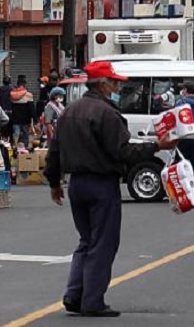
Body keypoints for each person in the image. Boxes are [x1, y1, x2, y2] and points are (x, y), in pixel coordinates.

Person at [43, 61, 177, 317]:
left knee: (86, 240)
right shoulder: (107, 114)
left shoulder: (70, 111)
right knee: (103, 243)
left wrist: (53, 182)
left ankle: (74, 294)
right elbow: (124, 152)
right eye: (115, 83)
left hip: (76, 184)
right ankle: (92, 301)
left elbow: (55, 151)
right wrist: (157, 146)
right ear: (103, 85)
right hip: (101, 184)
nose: (117, 87)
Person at [10, 76, 36, 148]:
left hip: (15, 119)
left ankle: (15, 149)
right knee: (25, 135)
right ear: (24, 84)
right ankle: (24, 151)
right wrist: (35, 119)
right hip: (25, 120)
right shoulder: (28, 95)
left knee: (16, 134)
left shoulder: (12, 94)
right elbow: (32, 109)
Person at [0, 76, 13, 140]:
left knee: (2, 128)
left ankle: (3, 140)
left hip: (1, 111)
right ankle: (10, 142)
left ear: (3, 82)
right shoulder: (13, 90)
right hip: (11, 112)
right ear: (10, 82)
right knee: (10, 128)